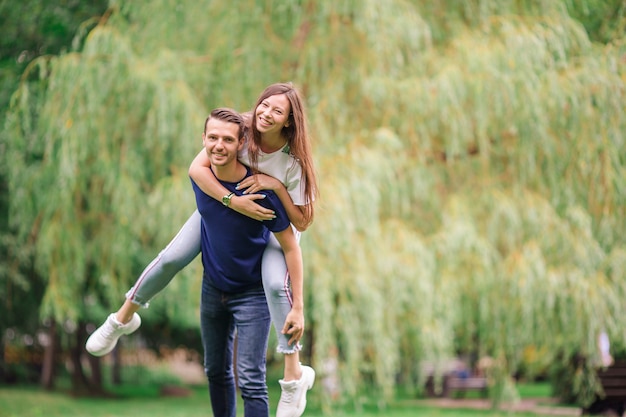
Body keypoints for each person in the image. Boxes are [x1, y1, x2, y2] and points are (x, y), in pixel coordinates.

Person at [86, 82, 318, 417]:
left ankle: (294, 376)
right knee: (172, 256)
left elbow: (304, 223)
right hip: (229, 204)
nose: (266, 114)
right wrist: (233, 201)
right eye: (263, 105)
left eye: (277, 111)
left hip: (274, 223)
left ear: (289, 121)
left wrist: (277, 186)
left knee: (273, 285)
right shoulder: (241, 131)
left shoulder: (292, 162)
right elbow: (197, 169)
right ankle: (121, 318)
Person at [195, 107, 305, 417]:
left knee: (251, 380)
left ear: (241, 143)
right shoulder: (201, 179)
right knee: (214, 371)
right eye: (213, 138)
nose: (219, 145)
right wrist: (230, 200)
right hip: (212, 288)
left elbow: (291, 247)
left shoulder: (261, 192)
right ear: (202, 139)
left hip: (252, 294)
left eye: (228, 140)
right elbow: (196, 170)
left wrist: (298, 306)